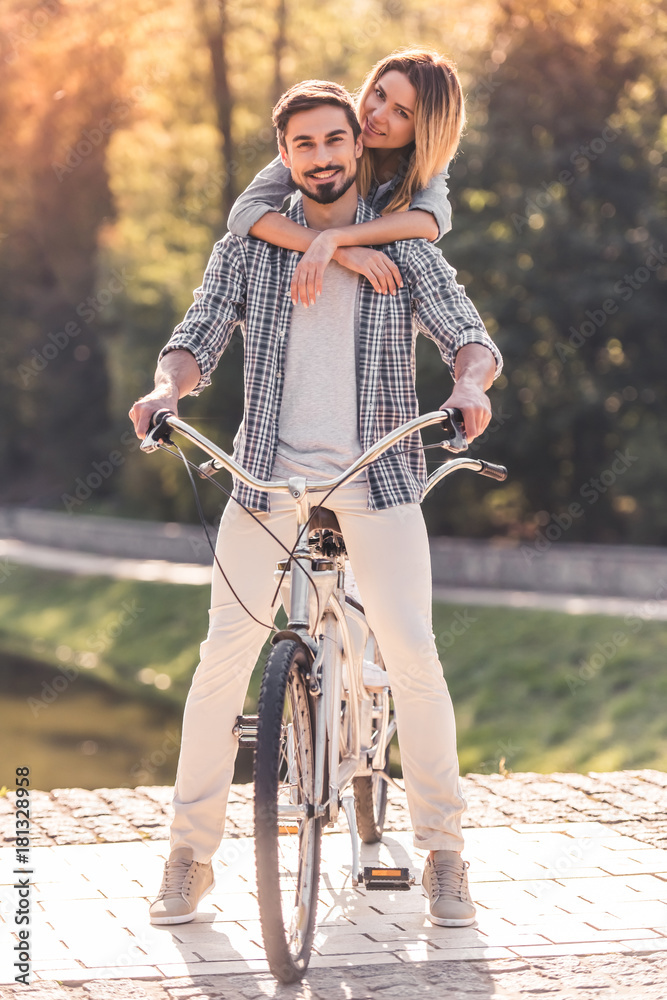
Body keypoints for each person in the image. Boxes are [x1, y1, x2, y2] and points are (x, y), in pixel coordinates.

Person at [130, 79, 503, 929]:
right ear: (286, 155)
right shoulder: (251, 245)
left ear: (355, 145)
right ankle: (188, 857)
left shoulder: (402, 242)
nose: (325, 156)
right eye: (305, 146)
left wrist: (469, 386)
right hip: (265, 479)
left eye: (338, 140)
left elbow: (467, 332)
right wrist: (166, 389)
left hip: (377, 477)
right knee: (222, 659)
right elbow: (198, 333)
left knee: (412, 654)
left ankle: (444, 854)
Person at [227, 48, 464, 308]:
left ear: (425, 128)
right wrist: (336, 250)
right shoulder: (329, 137)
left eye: (401, 113)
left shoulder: (426, 164)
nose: (377, 115)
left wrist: (334, 238)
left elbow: (430, 221)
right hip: (302, 281)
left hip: (372, 296)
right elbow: (244, 212)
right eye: (380, 94)